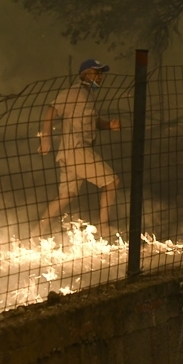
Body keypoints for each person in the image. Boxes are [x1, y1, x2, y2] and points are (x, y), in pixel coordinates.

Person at [36, 58, 121, 241]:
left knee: (67, 195)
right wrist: (46, 138)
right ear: (85, 74)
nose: (100, 77)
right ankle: (103, 226)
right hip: (77, 150)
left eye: (101, 73)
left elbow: (94, 121)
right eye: (96, 72)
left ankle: (36, 232)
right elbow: (52, 110)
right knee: (112, 182)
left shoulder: (88, 95)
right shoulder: (74, 92)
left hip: (70, 152)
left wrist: (109, 125)